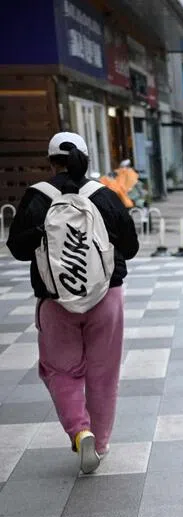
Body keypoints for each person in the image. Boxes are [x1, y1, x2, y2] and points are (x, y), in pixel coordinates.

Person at [6, 132, 139, 474]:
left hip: (56, 300)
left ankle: (80, 432)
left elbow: (18, 248)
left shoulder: (37, 196)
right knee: (103, 372)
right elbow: (131, 246)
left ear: (51, 162)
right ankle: (101, 443)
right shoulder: (104, 195)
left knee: (60, 370)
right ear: (86, 159)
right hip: (106, 296)